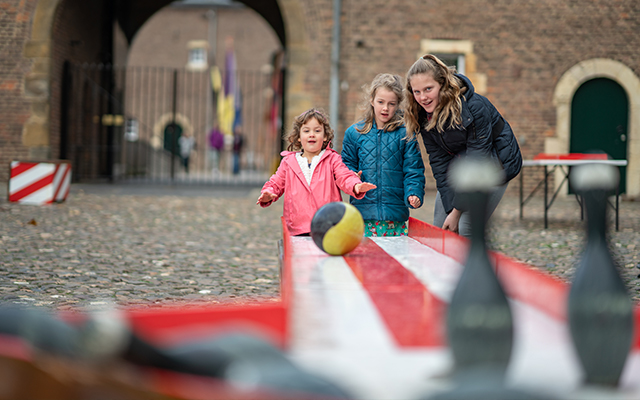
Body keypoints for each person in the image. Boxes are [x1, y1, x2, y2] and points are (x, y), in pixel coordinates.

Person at [404, 54, 522, 238]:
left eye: (428, 89)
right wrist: (450, 209)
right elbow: (439, 161)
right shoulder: (422, 114)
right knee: (441, 227)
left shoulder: (474, 107)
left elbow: (477, 159)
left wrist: (457, 212)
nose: (423, 97)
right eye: (417, 92)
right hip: (460, 162)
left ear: (442, 84)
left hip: (494, 162)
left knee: (465, 226)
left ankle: (473, 257)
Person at [257, 108, 376, 236]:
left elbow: (344, 176)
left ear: (325, 137)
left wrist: (355, 185)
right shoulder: (288, 162)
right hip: (297, 228)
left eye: (317, 131)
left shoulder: (333, 159)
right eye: (306, 131)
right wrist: (268, 193)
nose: (312, 134)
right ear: (298, 137)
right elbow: (275, 183)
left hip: (329, 226)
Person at [341, 73, 425, 237]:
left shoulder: (406, 134)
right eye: (381, 102)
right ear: (372, 100)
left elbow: (413, 170)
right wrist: (352, 179)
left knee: (394, 253)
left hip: (394, 216)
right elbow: (345, 167)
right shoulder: (354, 133)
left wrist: (413, 193)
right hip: (362, 214)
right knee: (365, 253)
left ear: (398, 104)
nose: (385, 108)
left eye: (391, 104)